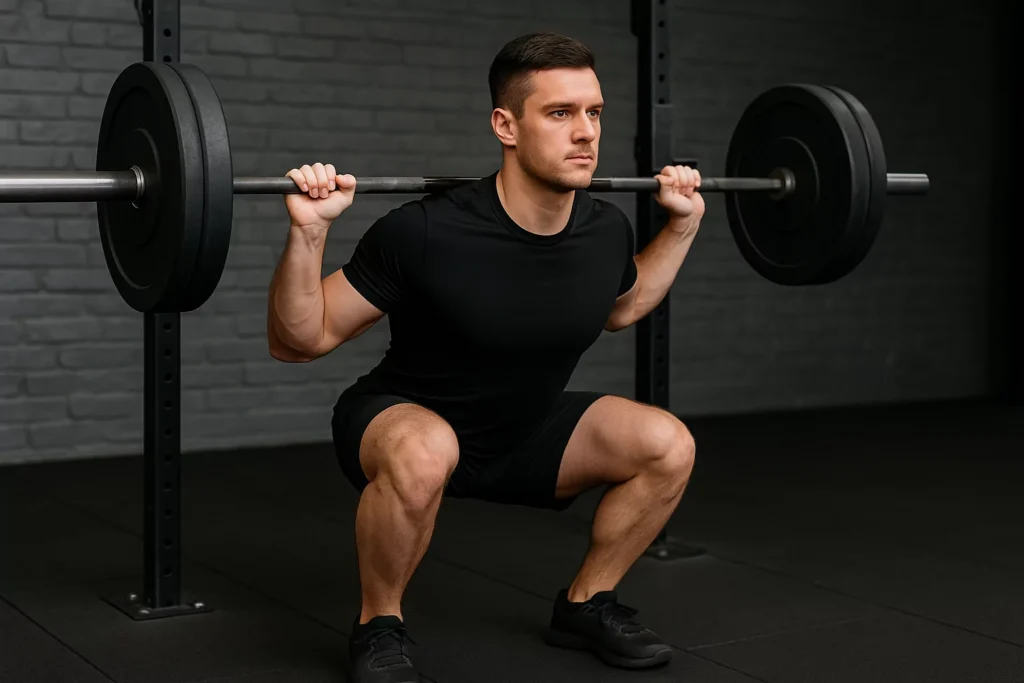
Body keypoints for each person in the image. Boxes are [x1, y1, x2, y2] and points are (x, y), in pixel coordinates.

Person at [267, 32, 703, 683]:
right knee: (425, 450)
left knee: (667, 443)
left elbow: (621, 306)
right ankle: (377, 624)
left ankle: (587, 603)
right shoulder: (425, 231)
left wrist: (683, 226)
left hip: (526, 430)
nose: (585, 133)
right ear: (506, 124)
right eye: (560, 113)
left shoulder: (604, 229)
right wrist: (309, 233)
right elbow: (299, 339)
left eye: (594, 112)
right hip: (405, 421)